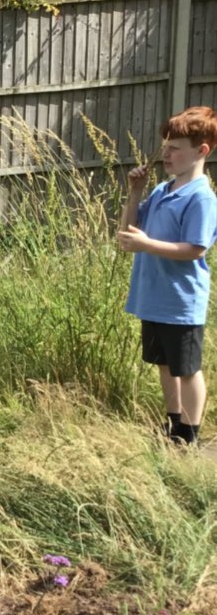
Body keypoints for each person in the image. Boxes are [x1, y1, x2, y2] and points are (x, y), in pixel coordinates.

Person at [118, 105, 217, 446]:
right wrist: (135, 192)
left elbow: (195, 249)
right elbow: (128, 232)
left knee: (186, 370)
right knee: (164, 364)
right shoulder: (162, 190)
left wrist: (146, 245)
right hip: (154, 298)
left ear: (201, 151)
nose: (166, 154)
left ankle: (189, 435)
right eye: (165, 147)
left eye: (175, 148)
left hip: (181, 302)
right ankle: (173, 423)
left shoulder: (201, 197)